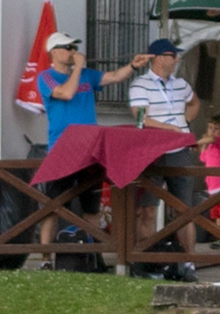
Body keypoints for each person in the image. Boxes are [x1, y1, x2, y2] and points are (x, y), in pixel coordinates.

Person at [37, 31, 147, 245]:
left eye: (74, 47)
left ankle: (90, 253)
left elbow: (114, 77)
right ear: (55, 52)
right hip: (62, 149)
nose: (73, 52)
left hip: (89, 150)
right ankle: (46, 257)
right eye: (68, 48)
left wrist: (133, 66)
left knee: (91, 205)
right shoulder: (46, 77)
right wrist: (77, 68)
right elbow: (66, 93)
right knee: (53, 207)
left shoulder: (87, 74)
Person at [127, 38, 204, 267]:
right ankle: (147, 261)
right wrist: (169, 127)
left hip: (179, 150)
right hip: (152, 150)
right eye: (173, 55)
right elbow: (140, 118)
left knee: (185, 209)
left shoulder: (181, 84)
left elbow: (195, 103)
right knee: (148, 208)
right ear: (159, 58)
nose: (177, 59)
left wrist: (185, 123)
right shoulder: (140, 84)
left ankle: (189, 262)